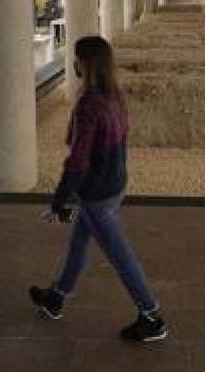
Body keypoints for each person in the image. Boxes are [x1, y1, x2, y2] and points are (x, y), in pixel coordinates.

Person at [29, 35, 166, 342]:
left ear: (86, 65)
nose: (74, 64)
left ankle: (152, 317)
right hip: (115, 185)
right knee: (78, 245)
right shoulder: (115, 97)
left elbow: (78, 162)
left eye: (77, 59)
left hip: (96, 195)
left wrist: (58, 201)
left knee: (121, 257)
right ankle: (56, 298)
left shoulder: (89, 106)